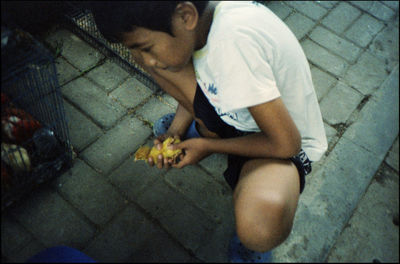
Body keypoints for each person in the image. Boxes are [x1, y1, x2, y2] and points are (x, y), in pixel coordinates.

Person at [89, 1, 327, 262]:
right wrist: (175, 131)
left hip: (279, 141)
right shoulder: (198, 23)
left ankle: (217, 143)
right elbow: (205, 77)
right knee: (158, 59)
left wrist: (208, 147)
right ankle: (199, 127)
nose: (145, 60)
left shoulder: (234, 42)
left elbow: (286, 144)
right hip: (237, 117)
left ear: (186, 15)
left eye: (146, 47)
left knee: (258, 226)